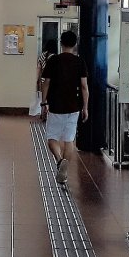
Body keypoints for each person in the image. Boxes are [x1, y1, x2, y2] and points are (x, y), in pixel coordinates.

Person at [39, 30, 88, 185]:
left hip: (56, 106)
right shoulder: (80, 62)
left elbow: (45, 83)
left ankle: (60, 161)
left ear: (61, 43)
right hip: (74, 106)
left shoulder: (54, 60)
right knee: (69, 140)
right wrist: (85, 107)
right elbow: (84, 86)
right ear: (75, 44)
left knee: (52, 138)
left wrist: (44, 103)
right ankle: (64, 170)